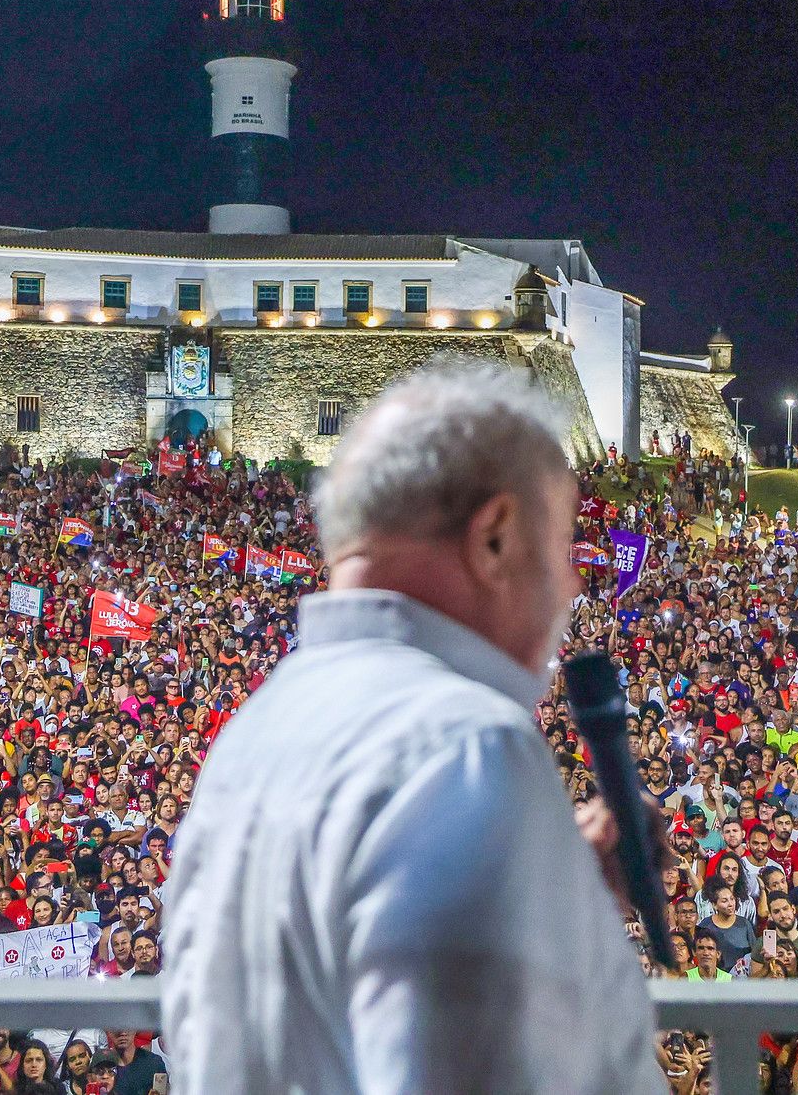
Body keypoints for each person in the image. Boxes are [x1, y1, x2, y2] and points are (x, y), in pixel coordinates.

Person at [162, 364, 661, 1091]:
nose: (576, 582)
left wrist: (555, 888)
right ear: (493, 536)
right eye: (562, 545)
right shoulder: (467, 749)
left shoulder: (251, 733)